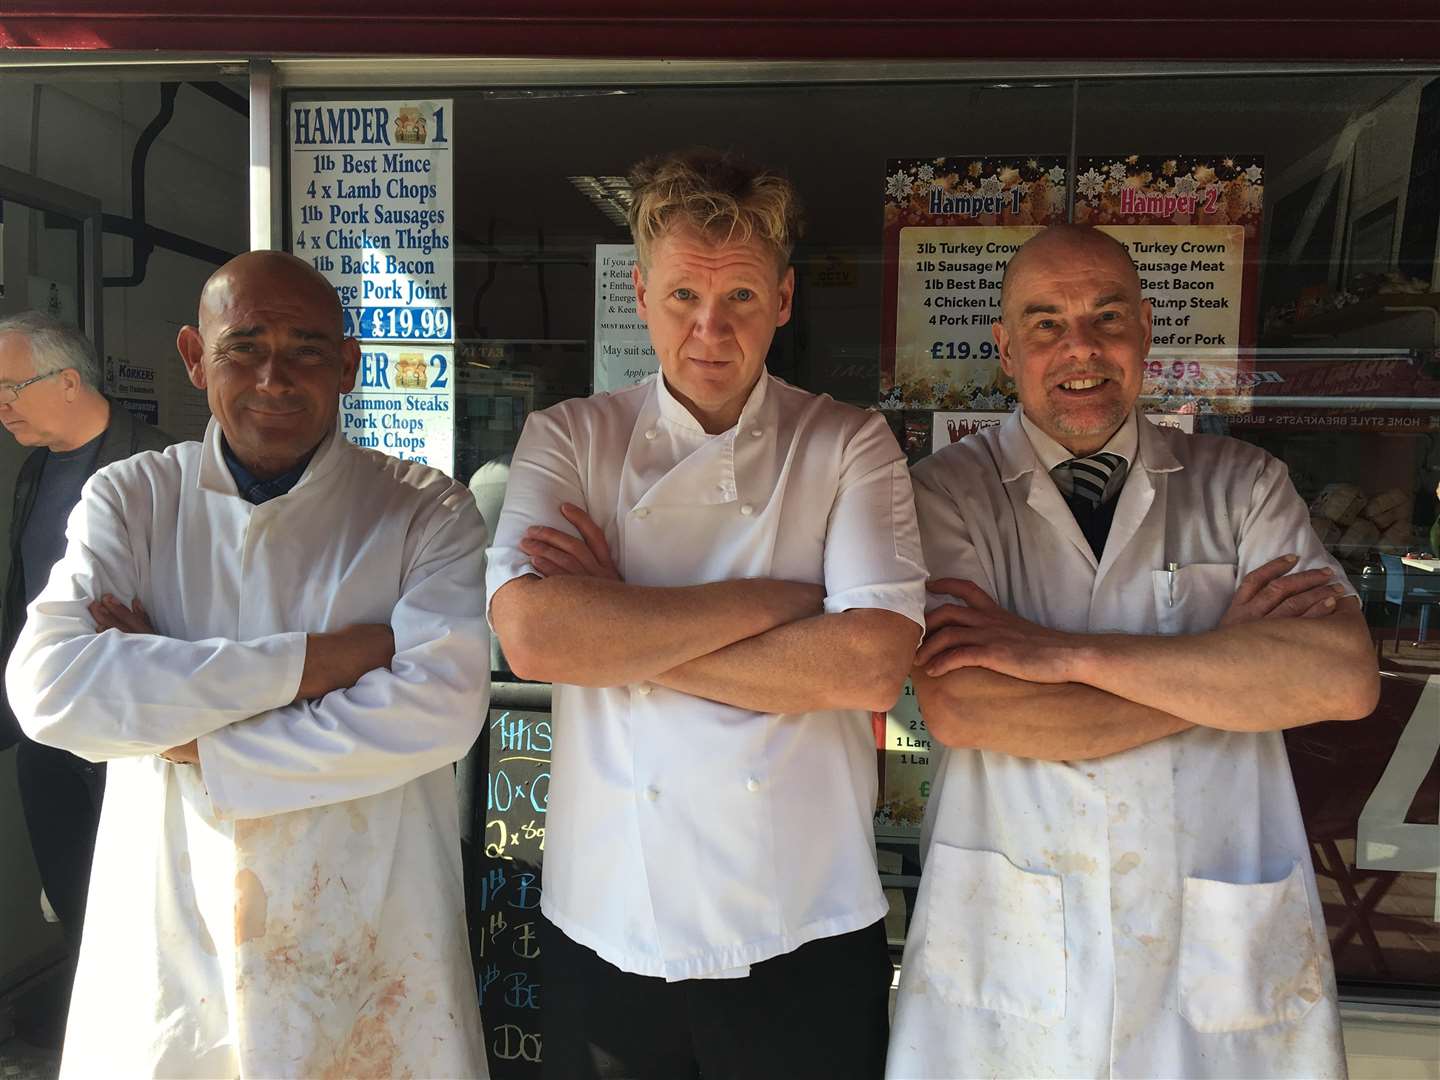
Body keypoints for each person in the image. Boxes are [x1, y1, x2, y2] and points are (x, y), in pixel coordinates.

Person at [887, 225, 1380, 1079]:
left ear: (1147, 330)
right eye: (1045, 324)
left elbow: (1341, 677)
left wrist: (1062, 656)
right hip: (1012, 949)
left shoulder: (1244, 483)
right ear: (1004, 348)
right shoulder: (944, 495)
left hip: (1209, 941)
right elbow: (966, 705)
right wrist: (1228, 667)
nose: (1080, 348)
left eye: (1107, 317)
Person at [486, 149, 926, 1080]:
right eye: (684, 297)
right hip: (606, 919)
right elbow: (533, 637)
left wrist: (616, 626)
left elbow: (866, 668)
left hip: (807, 922)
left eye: (741, 302)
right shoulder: (569, 437)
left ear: (787, 300)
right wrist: (776, 606)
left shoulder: (847, 442)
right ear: (641, 295)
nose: (710, 332)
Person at [6, 252, 490, 1079]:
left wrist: (188, 719)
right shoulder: (133, 498)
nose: (274, 376)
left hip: (364, 929)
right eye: (243, 347)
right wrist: (326, 662)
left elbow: (439, 708)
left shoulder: (422, 509)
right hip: (173, 917)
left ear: (347, 366)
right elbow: (50, 692)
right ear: (196, 357)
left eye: (306, 348)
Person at [0, 312, 176, 1039]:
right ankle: (91, 1029)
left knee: (147, 892)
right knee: (71, 888)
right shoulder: (34, 470)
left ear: (67, 382)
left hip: (138, 725)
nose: (1, 405)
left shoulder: (166, 467)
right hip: (51, 726)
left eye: (11, 388)